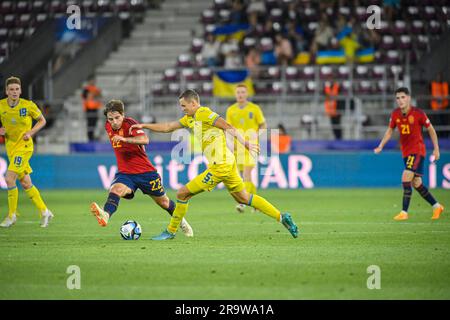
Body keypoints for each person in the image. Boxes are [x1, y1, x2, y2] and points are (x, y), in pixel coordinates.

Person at [130, 90, 298, 240]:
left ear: (194, 103)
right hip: (228, 163)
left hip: (220, 166)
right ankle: (282, 217)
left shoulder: (203, 113)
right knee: (244, 198)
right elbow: (168, 127)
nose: (182, 109)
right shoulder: (190, 119)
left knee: (182, 194)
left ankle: (170, 231)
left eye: (184, 105)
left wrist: (245, 143)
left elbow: (227, 126)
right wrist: (145, 126)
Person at [89, 100, 193, 237]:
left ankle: (182, 222)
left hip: (145, 173)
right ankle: (106, 215)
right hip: (126, 173)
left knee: (164, 202)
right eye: (110, 119)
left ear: (123, 115)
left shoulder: (130, 124)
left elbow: (145, 140)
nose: (114, 122)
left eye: (117, 118)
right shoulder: (108, 126)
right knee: (115, 189)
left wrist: (125, 139)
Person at [374, 87, 444, 221]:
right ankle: (437, 206)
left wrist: (436, 149)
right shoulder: (395, 114)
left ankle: (404, 212)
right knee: (416, 183)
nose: (400, 100)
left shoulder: (418, 113)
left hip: (417, 151)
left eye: (403, 97)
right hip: (406, 152)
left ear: (408, 98)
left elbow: (431, 129)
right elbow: (389, 131)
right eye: (398, 98)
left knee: (406, 176)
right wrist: (381, 145)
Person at [0, 76, 53, 228]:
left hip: (24, 147)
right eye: (11, 89)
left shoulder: (28, 105)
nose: (14, 92)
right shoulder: (1, 106)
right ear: (6, 91)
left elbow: (42, 120)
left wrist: (30, 132)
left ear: (21, 90)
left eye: (17, 89)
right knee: (25, 182)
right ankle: (45, 211)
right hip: (11, 148)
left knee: (9, 178)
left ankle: (11, 215)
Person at [226, 84, 266, 213]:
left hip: (251, 146)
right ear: (235, 94)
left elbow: (263, 125)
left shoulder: (254, 109)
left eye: (243, 92)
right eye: (238, 92)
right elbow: (228, 128)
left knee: (247, 174)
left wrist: (256, 136)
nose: (240, 94)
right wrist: (230, 145)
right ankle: (256, 203)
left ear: (247, 94)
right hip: (238, 147)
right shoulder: (231, 110)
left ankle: (242, 203)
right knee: (243, 176)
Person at [82, 76, 102, 141]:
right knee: (90, 123)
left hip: (95, 108)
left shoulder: (96, 89)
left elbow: (99, 96)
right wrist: (94, 95)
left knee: (94, 123)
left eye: (94, 80)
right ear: (89, 81)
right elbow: (86, 97)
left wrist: (95, 95)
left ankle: (92, 136)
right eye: (92, 80)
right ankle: (90, 137)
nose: (93, 81)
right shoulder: (86, 89)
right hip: (89, 108)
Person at [430, 72, 449, 138]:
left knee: (443, 122)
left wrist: (441, 100)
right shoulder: (433, 84)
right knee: (436, 122)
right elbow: (432, 95)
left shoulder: (444, 84)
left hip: (443, 107)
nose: (438, 78)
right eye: (437, 77)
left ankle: (444, 135)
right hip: (435, 107)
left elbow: (446, 95)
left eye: (440, 77)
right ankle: (438, 136)